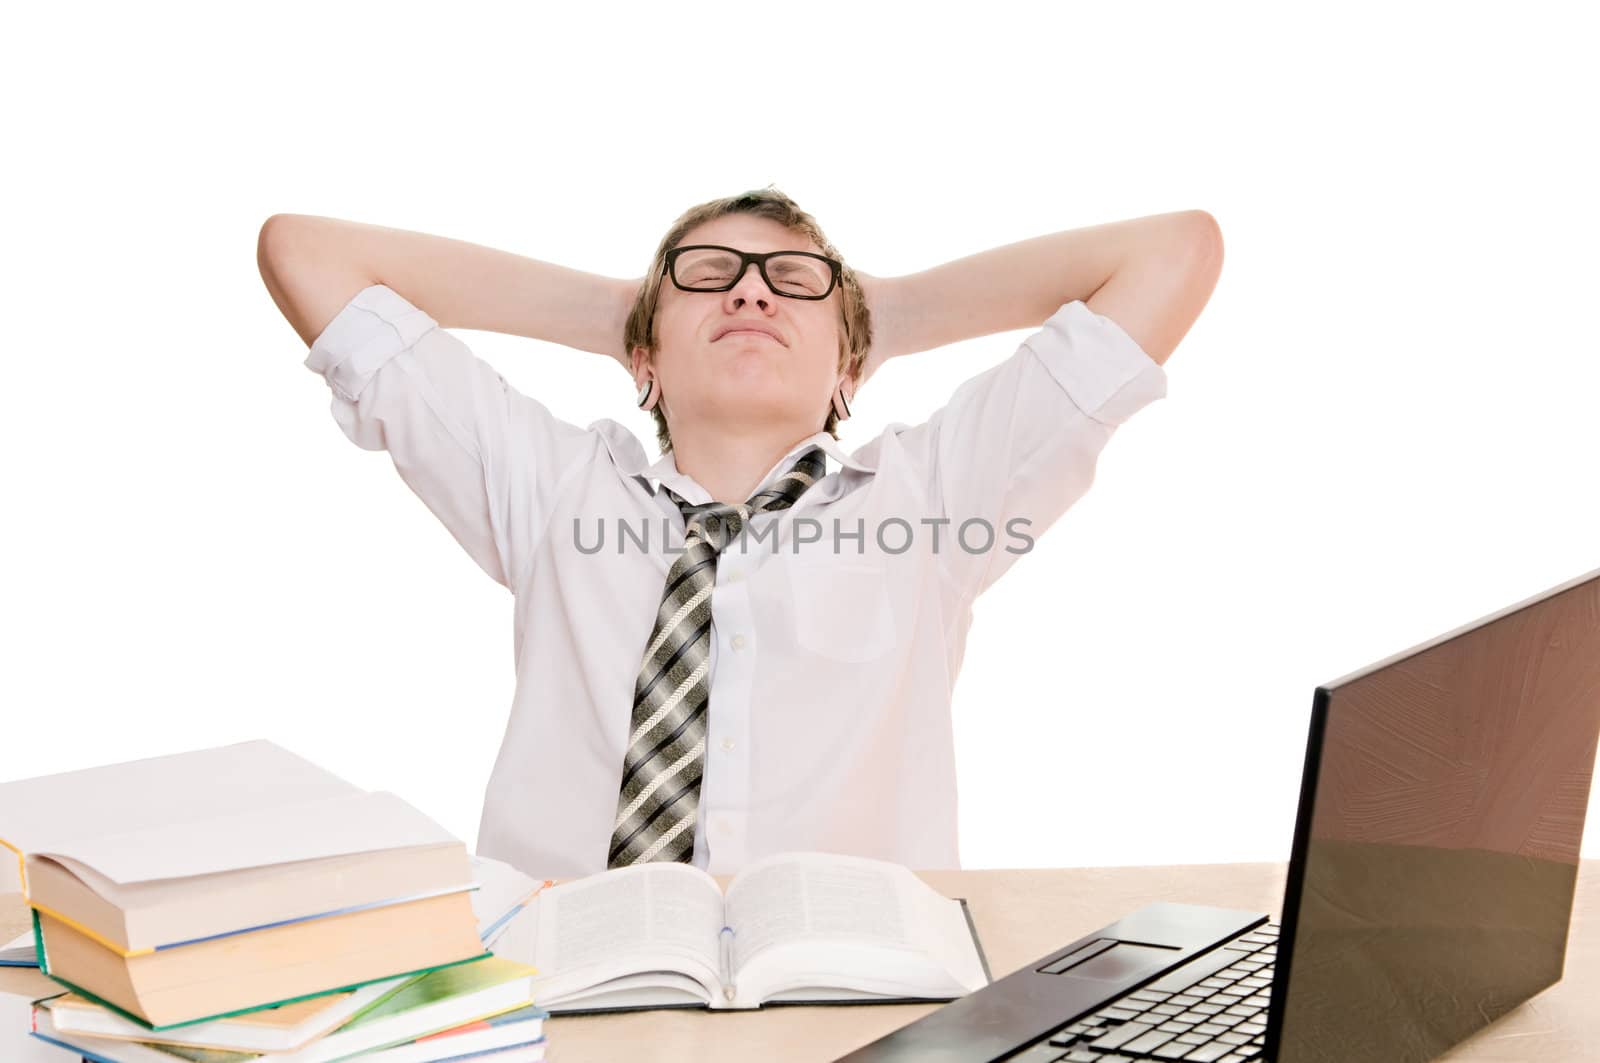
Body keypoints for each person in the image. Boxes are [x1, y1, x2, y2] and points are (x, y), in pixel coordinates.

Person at [256, 187, 1222, 880]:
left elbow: (1173, 253)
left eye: (793, 282)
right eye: (710, 276)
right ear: (642, 360)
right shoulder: (551, 489)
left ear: (853, 371)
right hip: (564, 1000)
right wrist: (622, 313)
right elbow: (306, 253)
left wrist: (891, 314)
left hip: (859, 1010)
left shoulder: (928, 501)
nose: (752, 295)